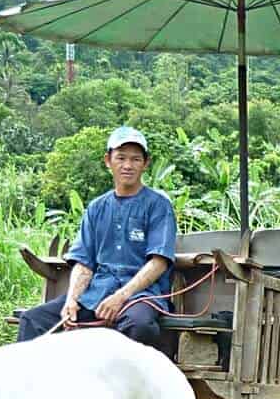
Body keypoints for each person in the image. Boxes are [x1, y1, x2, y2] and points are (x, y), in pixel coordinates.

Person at [16, 126, 177, 346]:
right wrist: (72, 299)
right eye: (120, 158)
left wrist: (121, 297)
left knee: (139, 325)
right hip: (96, 294)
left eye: (135, 159)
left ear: (145, 163)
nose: (128, 165)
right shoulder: (96, 208)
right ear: (108, 161)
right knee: (34, 320)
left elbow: (158, 262)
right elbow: (84, 263)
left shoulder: (158, 205)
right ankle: (33, 380)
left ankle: (125, 380)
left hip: (141, 296)